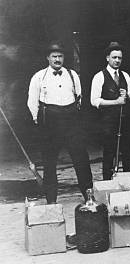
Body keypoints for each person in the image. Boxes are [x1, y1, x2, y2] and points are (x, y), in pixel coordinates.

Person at [27, 41, 93, 204]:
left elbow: (79, 96)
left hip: (70, 120)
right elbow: (32, 101)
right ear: (48, 58)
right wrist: (39, 120)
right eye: (54, 56)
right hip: (50, 122)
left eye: (60, 56)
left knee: (81, 160)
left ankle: (89, 198)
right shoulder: (39, 76)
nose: (57, 59)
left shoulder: (72, 75)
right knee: (49, 163)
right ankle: (51, 202)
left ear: (64, 58)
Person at [90, 42, 130, 180]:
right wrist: (115, 102)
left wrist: (128, 94)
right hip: (108, 122)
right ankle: (108, 185)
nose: (117, 61)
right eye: (114, 57)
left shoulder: (125, 76)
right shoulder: (99, 76)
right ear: (107, 58)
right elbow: (94, 101)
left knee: (128, 154)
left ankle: (129, 185)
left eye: (119, 58)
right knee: (109, 154)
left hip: (125, 121)